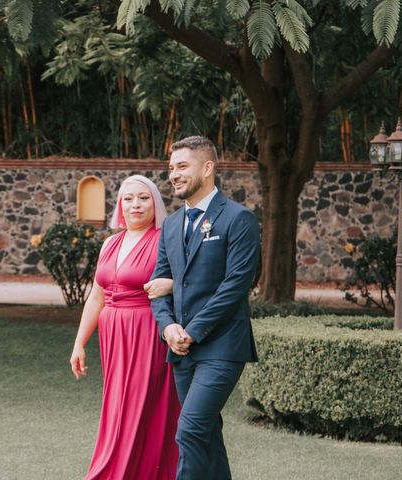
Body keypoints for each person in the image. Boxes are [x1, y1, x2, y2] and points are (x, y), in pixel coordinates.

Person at [150, 136, 260, 480]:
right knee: (208, 434)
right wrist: (168, 327)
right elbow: (159, 286)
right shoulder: (170, 225)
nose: (174, 175)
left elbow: (235, 286)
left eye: (183, 166)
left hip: (222, 345)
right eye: (171, 168)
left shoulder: (238, 219)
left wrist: (192, 331)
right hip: (181, 349)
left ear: (208, 168)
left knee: (190, 431)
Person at [70, 175, 180, 479]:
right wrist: (79, 343)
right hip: (113, 337)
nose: (135, 204)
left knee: (143, 406)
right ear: (120, 203)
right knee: (117, 405)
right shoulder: (110, 242)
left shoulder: (164, 240)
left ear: (155, 202)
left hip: (147, 332)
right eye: (129, 198)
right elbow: (97, 295)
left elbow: (187, 282)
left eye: (143, 198)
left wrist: (170, 285)